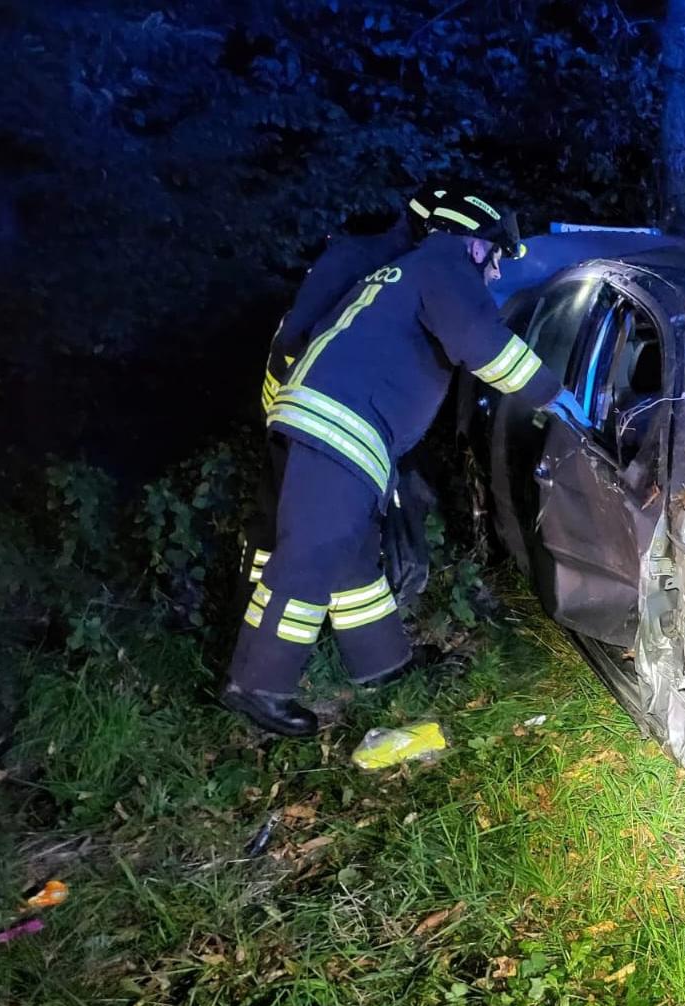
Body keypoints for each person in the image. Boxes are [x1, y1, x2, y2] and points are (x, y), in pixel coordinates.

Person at [223, 192, 587, 737]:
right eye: (495, 259)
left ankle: (383, 664)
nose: (493, 274)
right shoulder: (444, 262)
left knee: (350, 560)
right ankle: (257, 684)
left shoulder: (404, 269)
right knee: (313, 555)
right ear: (475, 241)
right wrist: (552, 394)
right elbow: (481, 342)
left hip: (328, 420)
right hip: (338, 423)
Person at [243, 183, 454, 599]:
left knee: (332, 532)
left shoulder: (407, 266)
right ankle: (260, 617)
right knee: (281, 528)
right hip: (306, 419)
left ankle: (307, 629)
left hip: (335, 421)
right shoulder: (363, 258)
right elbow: (296, 336)